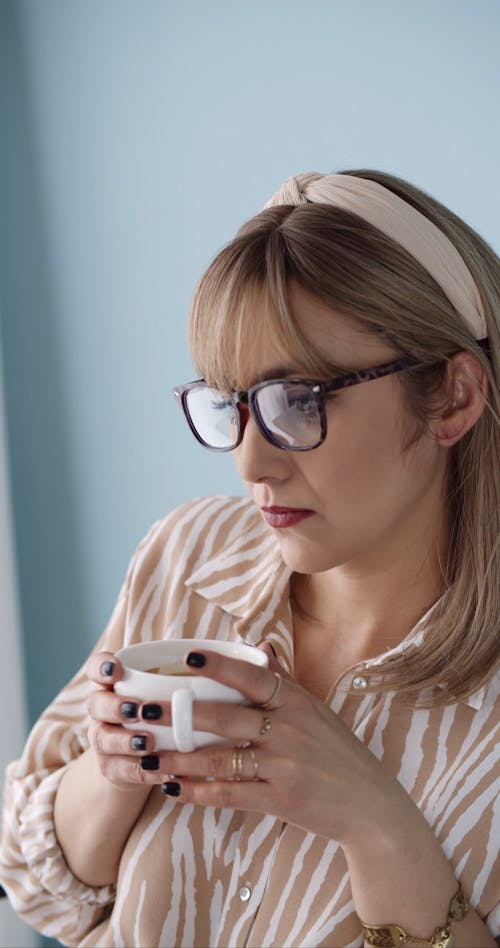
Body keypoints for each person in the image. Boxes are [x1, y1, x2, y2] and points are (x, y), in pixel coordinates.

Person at [0, 170, 498, 948]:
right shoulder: (189, 556)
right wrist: (114, 764)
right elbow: (40, 888)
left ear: (454, 399)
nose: (250, 464)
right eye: (230, 403)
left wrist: (378, 828)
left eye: (299, 400)